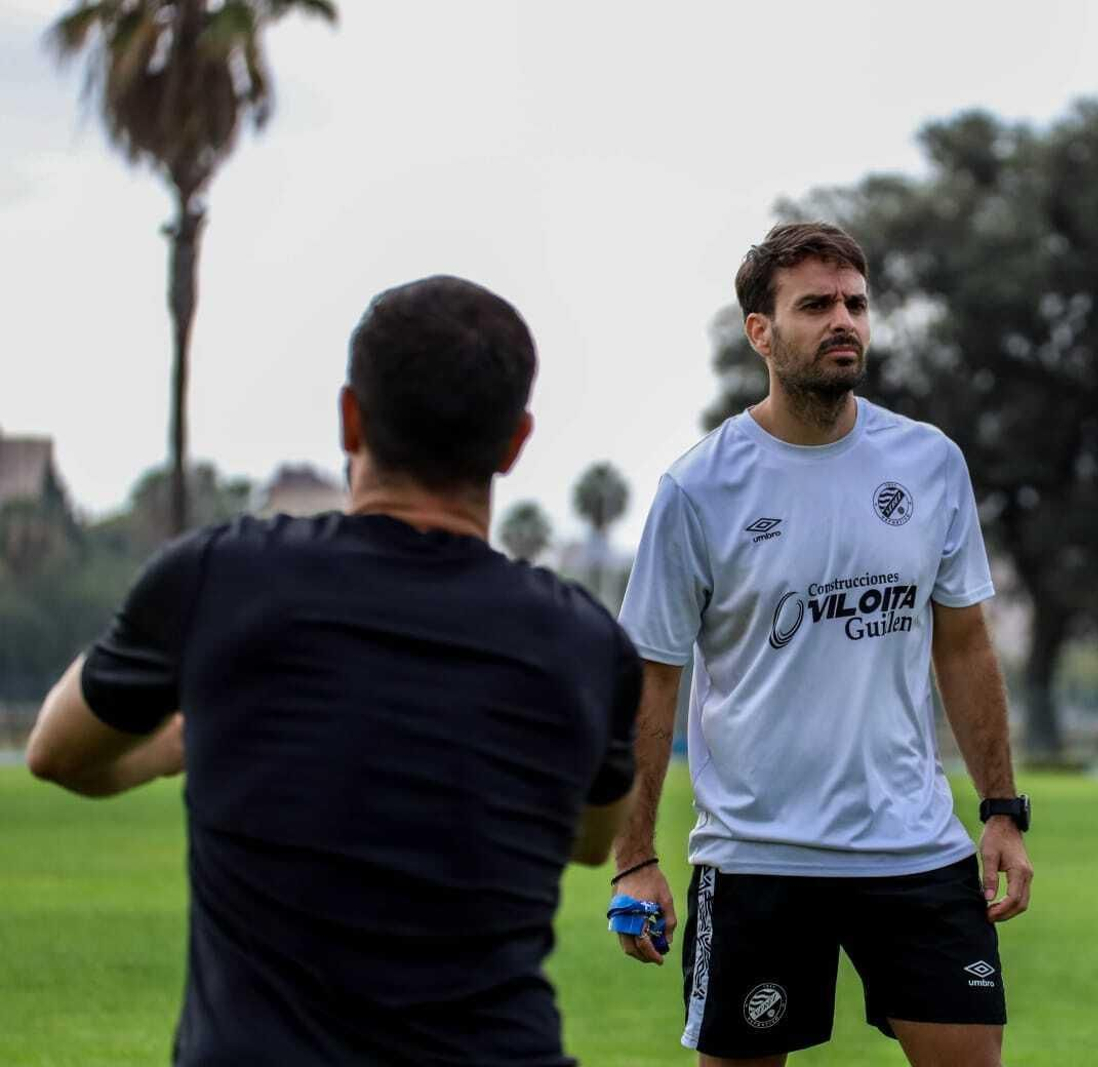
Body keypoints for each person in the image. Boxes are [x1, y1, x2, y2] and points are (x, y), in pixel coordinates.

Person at [27, 275, 642, 1067]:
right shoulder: (586, 645)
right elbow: (590, 840)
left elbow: (56, 750)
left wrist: (176, 745)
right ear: (515, 441)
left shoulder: (221, 577)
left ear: (350, 418)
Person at [613, 222, 1033, 1066]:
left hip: (913, 846)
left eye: (855, 303)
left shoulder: (930, 463)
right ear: (760, 332)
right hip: (757, 854)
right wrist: (634, 858)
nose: (843, 320)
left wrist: (1001, 810)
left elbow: (963, 646)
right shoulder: (698, 488)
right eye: (815, 305)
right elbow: (652, 678)